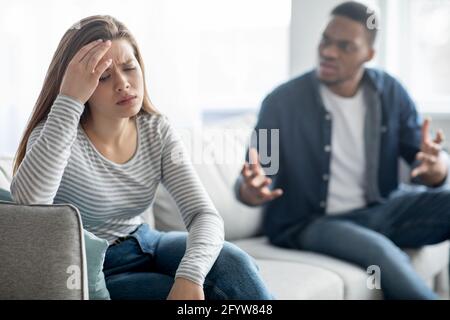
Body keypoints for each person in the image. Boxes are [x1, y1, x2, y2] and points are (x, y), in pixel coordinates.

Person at [11, 15, 272, 300]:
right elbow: (29, 207)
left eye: (129, 68)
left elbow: (203, 215)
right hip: (94, 268)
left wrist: (190, 274)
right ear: (79, 82)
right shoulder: (56, 134)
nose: (123, 84)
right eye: (104, 76)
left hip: (146, 241)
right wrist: (69, 100)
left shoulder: (155, 129)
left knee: (235, 264)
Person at [235, 1, 450, 299]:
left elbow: (425, 159)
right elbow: (259, 173)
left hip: (380, 209)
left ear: (369, 54)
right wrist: (251, 190)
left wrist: (438, 169)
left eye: (345, 46)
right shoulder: (281, 102)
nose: (328, 52)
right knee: (382, 254)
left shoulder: (390, 92)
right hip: (308, 223)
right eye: (326, 40)